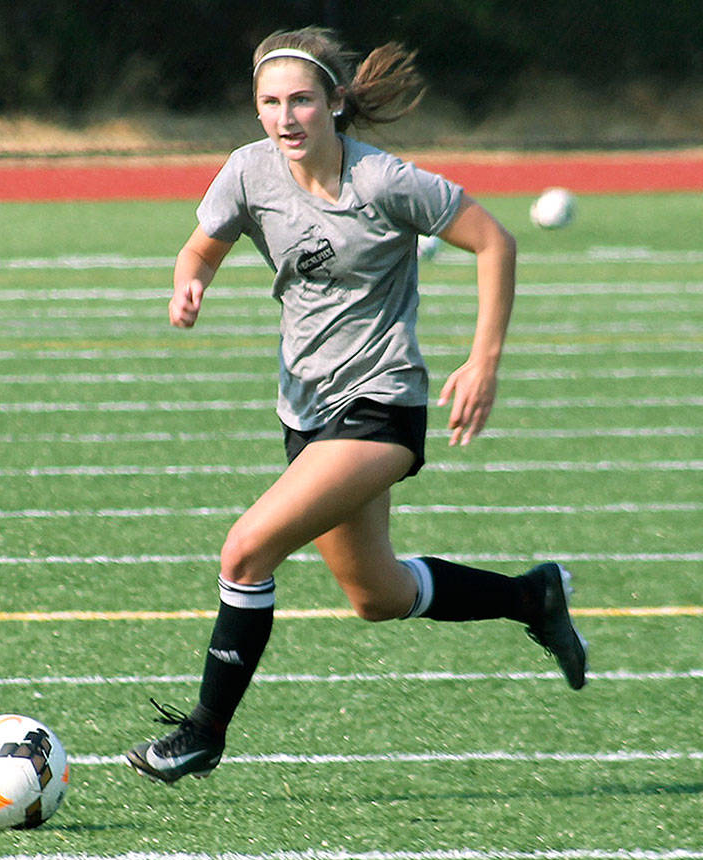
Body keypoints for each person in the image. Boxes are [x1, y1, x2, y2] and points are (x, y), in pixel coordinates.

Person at [125, 27, 588, 784]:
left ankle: (204, 732)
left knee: (245, 551)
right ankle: (534, 597)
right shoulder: (249, 172)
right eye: (270, 102)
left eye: (302, 100)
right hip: (305, 414)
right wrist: (191, 282)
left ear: (335, 104)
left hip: (382, 405)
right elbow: (199, 247)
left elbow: (496, 241)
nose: (285, 117)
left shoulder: (385, 182)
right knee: (378, 596)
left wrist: (484, 361)